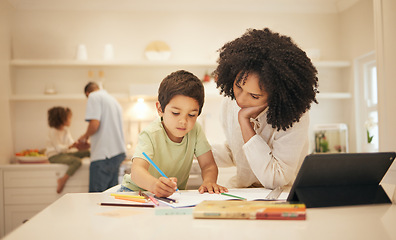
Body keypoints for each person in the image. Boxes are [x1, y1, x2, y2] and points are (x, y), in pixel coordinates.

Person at [212, 28, 319, 189]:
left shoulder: (294, 116)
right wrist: (189, 150)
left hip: (283, 195)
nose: (240, 100)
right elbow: (236, 153)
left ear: (277, 95)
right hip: (243, 192)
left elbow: (276, 179)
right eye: (238, 86)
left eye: (254, 96)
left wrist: (245, 123)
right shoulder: (229, 102)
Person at [121, 70, 227, 197]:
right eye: (176, 113)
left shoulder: (195, 130)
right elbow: (137, 172)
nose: (183, 121)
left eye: (192, 115)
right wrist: (154, 185)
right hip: (136, 192)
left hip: (171, 195)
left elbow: (208, 165)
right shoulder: (150, 134)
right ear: (160, 109)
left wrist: (209, 182)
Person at [78, 82, 126, 192]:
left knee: (95, 199)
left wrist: (84, 137)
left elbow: (94, 125)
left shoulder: (93, 96)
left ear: (87, 93)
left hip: (103, 156)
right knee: (109, 199)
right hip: (116, 155)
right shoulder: (113, 101)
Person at [46, 106, 90, 193]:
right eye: (68, 118)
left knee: (87, 152)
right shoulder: (53, 131)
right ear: (61, 119)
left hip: (64, 154)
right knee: (77, 161)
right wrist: (71, 146)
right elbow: (59, 149)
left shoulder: (66, 130)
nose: (70, 120)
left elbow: (70, 143)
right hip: (54, 156)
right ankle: (62, 180)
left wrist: (79, 145)